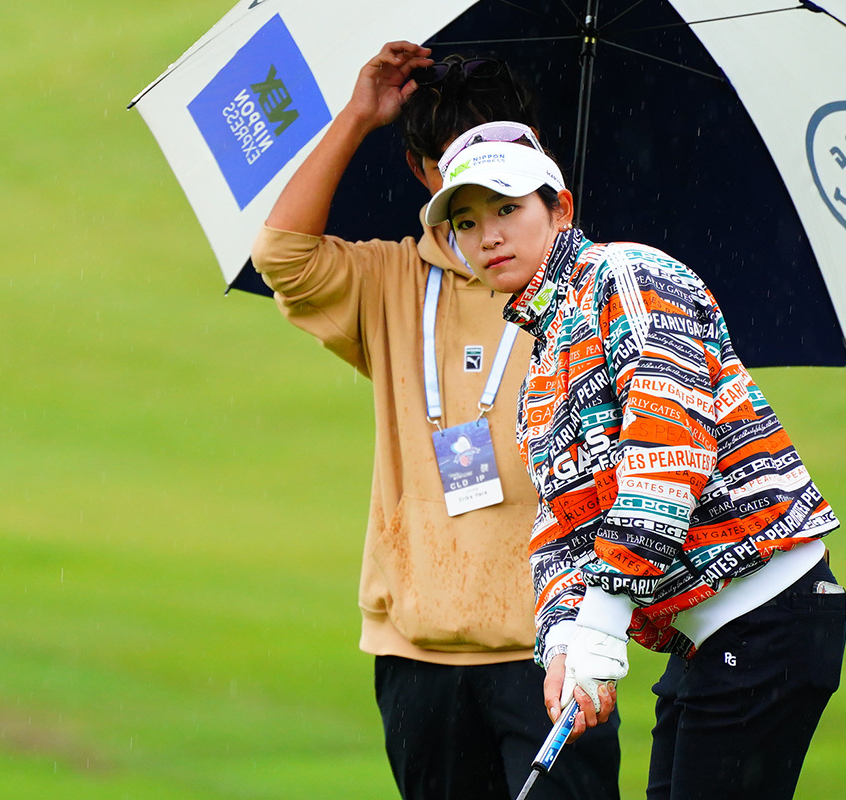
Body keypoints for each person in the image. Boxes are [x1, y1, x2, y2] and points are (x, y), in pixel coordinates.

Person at [424, 123, 846, 799]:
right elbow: (558, 530)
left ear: (559, 208)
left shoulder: (631, 277)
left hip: (767, 614)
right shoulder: (541, 368)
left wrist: (603, 617)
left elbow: (668, 455)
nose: (489, 237)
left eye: (508, 209)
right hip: (705, 638)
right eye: (468, 222)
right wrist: (563, 643)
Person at [249, 43, 620, 800]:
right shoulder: (392, 282)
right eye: (461, 167)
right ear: (425, 175)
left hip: (552, 651)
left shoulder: (595, 288)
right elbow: (282, 254)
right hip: (416, 655)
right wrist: (358, 117)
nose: (486, 194)